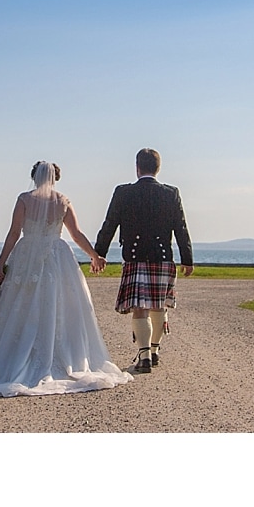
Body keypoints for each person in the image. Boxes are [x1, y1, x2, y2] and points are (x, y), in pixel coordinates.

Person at [0, 161, 133, 397]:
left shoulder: (24, 199)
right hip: (57, 256)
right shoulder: (63, 201)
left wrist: (1, 263)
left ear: (34, 178)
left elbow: (14, 233)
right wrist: (94, 256)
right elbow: (76, 235)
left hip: (27, 255)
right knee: (58, 304)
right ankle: (60, 356)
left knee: (23, 304)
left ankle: (16, 358)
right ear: (55, 179)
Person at [94, 148, 193, 374]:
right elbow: (181, 228)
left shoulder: (123, 192)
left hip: (135, 257)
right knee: (158, 305)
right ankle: (155, 350)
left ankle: (145, 355)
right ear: (158, 168)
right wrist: (187, 258)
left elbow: (110, 224)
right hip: (163, 257)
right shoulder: (171, 193)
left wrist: (99, 253)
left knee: (140, 307)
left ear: (137, 167)